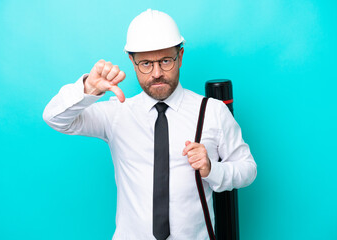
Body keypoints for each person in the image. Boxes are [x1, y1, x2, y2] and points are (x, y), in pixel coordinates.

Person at [43, 9, 257, 240]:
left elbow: (248, 169)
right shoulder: (117, 113)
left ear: (180, 56)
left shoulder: (213, 111)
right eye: (145, 63)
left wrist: (211, 169)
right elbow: (54, 118)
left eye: (166, 61)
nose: (156, 73)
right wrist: (87, 90)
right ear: (132, 62)